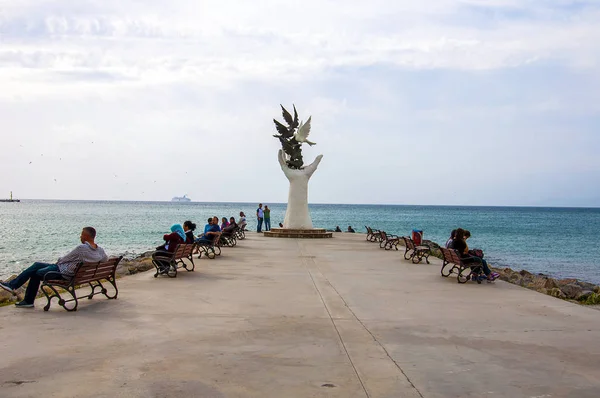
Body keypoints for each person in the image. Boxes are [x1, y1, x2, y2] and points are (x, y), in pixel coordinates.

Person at [0, 227, 108, 308]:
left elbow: (64, 259)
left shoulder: (82, 248)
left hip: (63, 273)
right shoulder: (100, 250)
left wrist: (58, 262)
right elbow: (105, 260)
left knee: (34, 272)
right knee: (36, 265)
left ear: (86, 237)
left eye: (81, 235)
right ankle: (14, 288)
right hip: (76, 274)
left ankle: (22, 295)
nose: (80, 236)